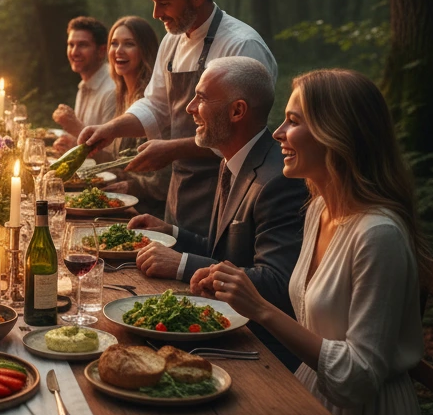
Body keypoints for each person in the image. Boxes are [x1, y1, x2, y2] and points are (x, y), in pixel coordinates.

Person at [206, 69, 426, 415]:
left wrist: (260, 310)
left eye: (292, 121)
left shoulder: (378, 236)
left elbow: (359, 378)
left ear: (336, 134)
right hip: (310, 406)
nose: (278, 134)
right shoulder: (319, 207)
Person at [78, 0, 277, 237]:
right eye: (154, 3)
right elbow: (156, 106)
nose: (156, 14)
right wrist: (111, 128)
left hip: (226, 194)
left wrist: (170, 149)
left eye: (164, 3)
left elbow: (245, 136)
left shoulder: (241, 45)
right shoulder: (171, 41)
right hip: (180, 190)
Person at [129, 56, 306, 366]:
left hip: (259, 350)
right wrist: (172, 234)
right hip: (223, 323)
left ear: (237, 111)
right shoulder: (230, 158)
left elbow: (278, 284)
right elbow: (224, 252)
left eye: (202, 97)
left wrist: (183, 264)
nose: (190, 108)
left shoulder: (278, 181)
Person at [99, 15, 170, 213]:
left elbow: (163, 180)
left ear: (145, 51)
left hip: (149, 212)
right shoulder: (119, 96)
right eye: (114, 44)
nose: (118, 51)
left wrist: (131, 185)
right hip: (124, 204)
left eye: (129, 44)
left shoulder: (153, 100)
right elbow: (119, 161)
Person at [50, 16, 115, 153]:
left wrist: (76, 128)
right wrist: (68, 143)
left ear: (102, 51)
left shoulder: (112, 90)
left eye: (83, 45)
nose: (74, 52)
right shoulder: (83, 86)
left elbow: (113, 157)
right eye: (71, 45)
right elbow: (80, 144)